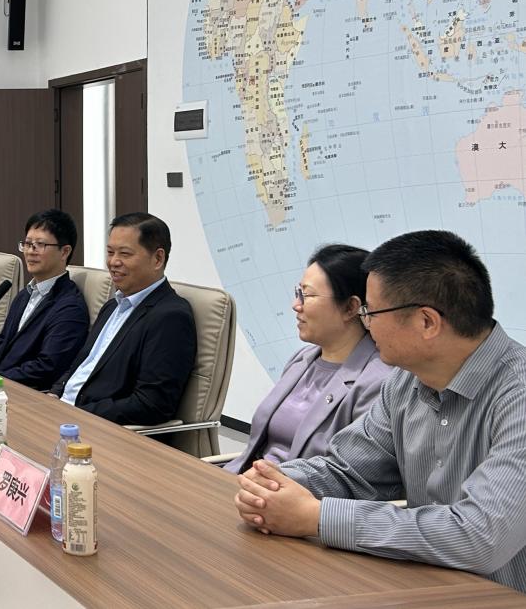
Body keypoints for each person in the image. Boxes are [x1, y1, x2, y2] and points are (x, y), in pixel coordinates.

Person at [234, 230, 526, 593]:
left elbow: (480, 535)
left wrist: (317, 518)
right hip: (425, 586)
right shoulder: (405, 382)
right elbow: (350, 471)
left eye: (371, 312)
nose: (365, 322)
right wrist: (273, 483)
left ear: (427, 322)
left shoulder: (517, 394)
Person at [223, 244, 389, 473]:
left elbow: (350, 474)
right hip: (248, 479)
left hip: (294, 490)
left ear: (351, 307)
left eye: (307, 295)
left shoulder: (377, 382)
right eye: (297, 293)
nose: (296, 305)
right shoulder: (302, 359)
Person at [48, 212, 195, 425]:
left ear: (158, 258)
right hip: (63, 413)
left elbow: (152, 404)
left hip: (99, 428)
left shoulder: (170, 317)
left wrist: (76, 413)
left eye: (125, 254)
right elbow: (81, 366)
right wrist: (54, 394)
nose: (113, 262)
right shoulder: (112, 306)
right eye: (110, 252)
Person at [0, 209, 89, 391]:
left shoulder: (70, 308)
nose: (30, 251)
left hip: (20, 392)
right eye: (27, 244)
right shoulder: (25, 294)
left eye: (40, 245)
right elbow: (1, 342)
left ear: (64, 251)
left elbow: (46, 367)